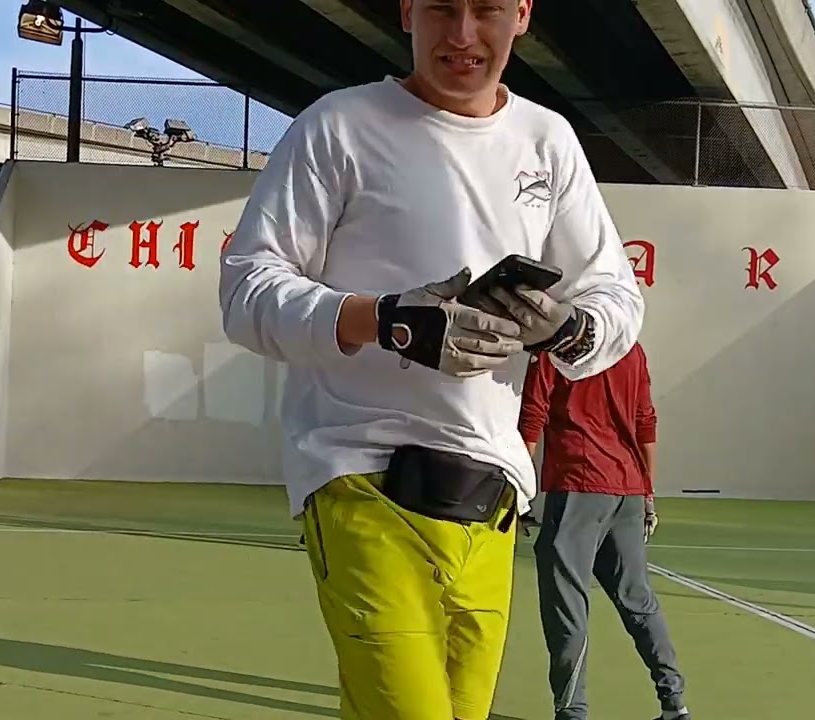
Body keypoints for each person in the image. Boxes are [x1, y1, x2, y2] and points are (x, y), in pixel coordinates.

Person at [218, 1, 644, 716]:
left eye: (488, 10)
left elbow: (614, 294)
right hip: (358, 476)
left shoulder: (547, 140)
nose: (464, 34)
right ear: (407, 8)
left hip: (491, 494)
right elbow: (247, 290)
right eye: (443, 7)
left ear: (524, 14)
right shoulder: (339, 126)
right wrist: (384, 320)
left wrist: (566, 329)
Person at [519, 341, 689, 720]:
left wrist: (514, 488)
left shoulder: (555, 344)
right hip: (626, 489)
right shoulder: (631, 347)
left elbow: (532, 414)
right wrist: (647, 493)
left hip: (578, 487)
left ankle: (572, 713)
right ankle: (675, 706)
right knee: (639, 601)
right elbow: (646, 419)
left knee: (567, 607)